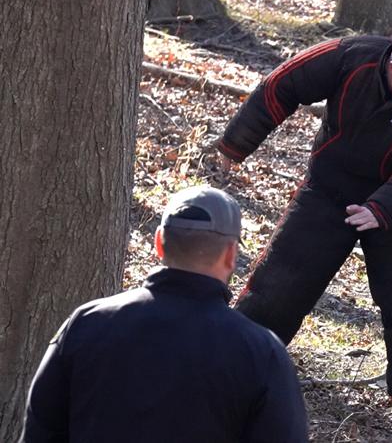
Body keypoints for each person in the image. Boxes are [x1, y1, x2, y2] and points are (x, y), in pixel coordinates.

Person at [216, 31, 392, 437]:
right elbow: (282, 84)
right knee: (278, 285)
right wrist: (236, 143)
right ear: (391, 68)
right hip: (329, 189)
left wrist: (380, 209)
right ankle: (234, 369)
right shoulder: (351, 57)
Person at [19, 186, 309, 443]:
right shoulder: (261, 353)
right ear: (231, 254)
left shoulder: (86, 324)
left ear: (158, 242)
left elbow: (39, 432)